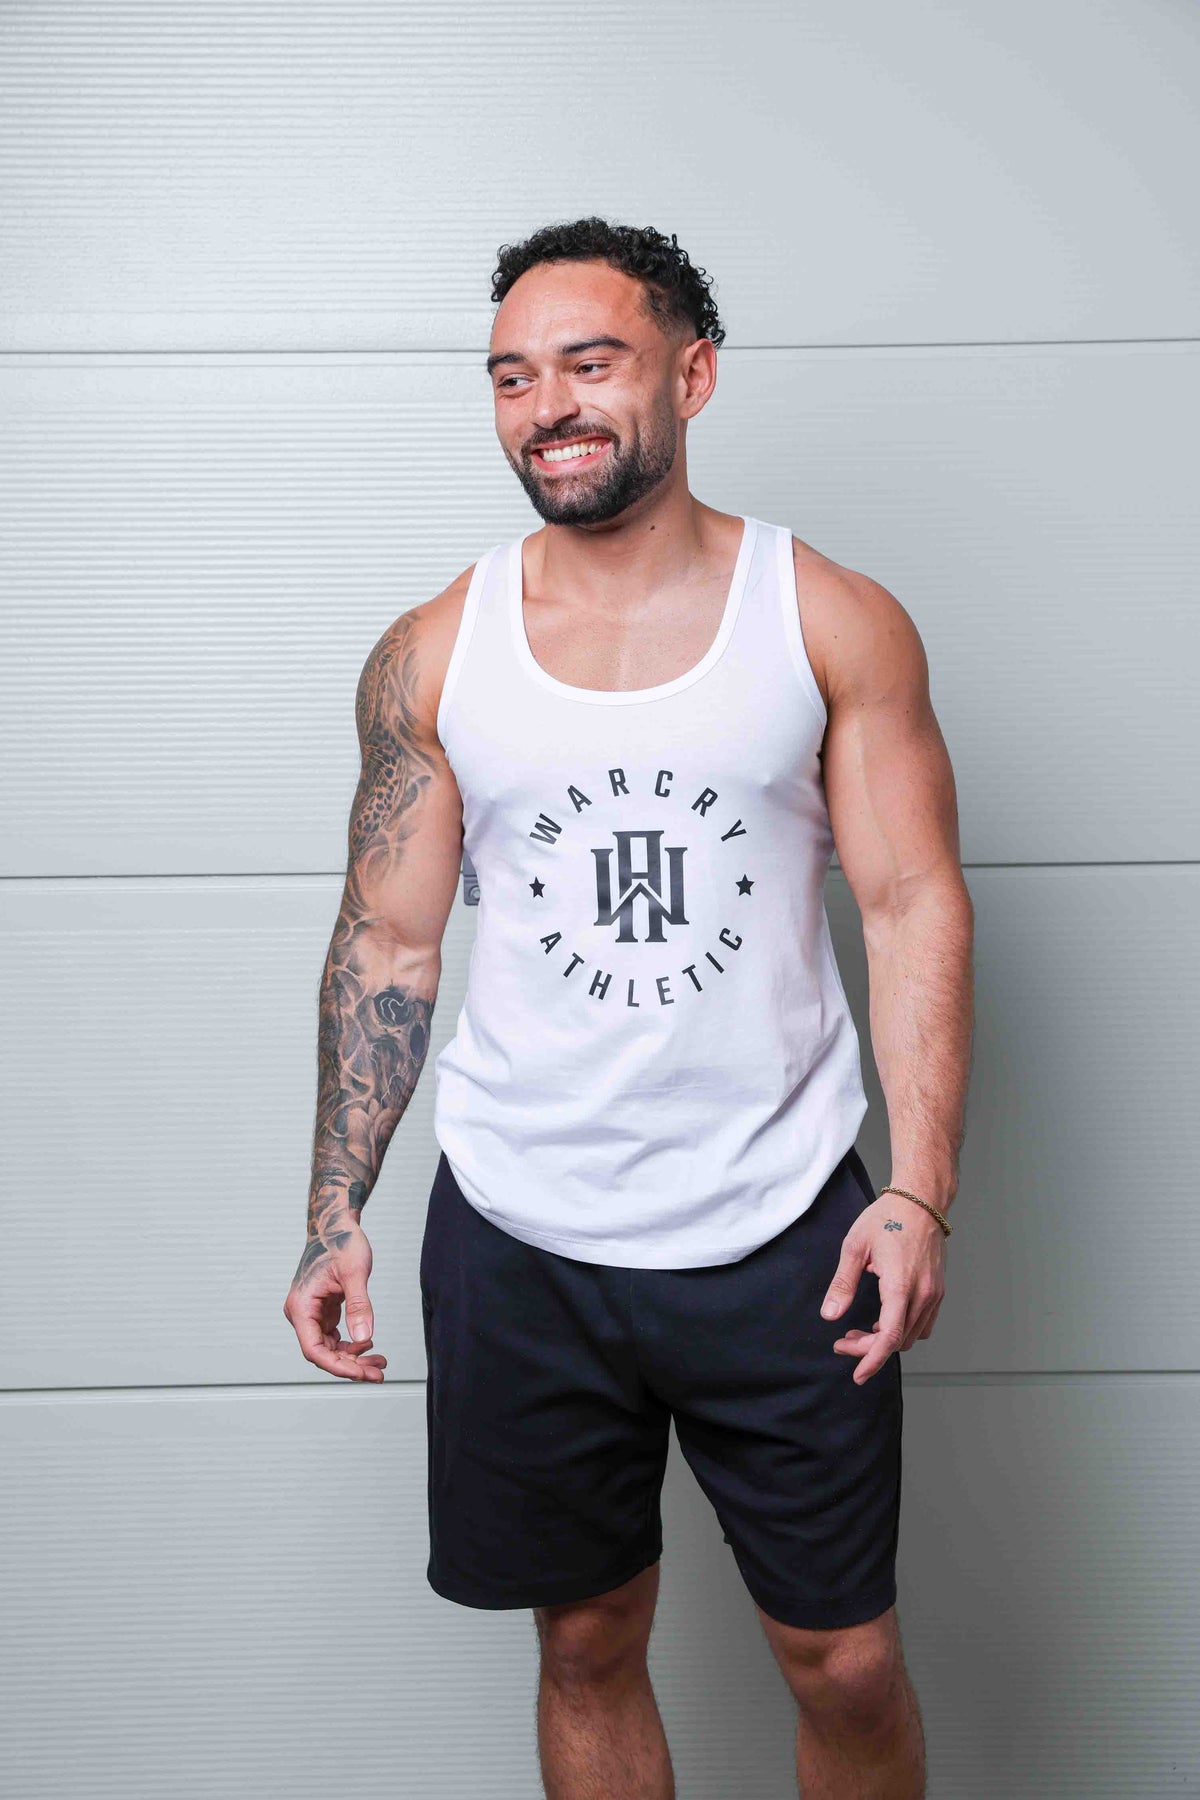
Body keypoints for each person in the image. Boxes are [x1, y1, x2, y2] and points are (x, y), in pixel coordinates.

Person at [284, 216, 974, 1800]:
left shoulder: (828, 617)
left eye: (590, 364)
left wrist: (922, 1189)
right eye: (513, 377)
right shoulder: (433, 652)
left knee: (847, 1662)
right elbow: (389, 944)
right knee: (586, 1639)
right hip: (522, 1235)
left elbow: (911, 904)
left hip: (782, 1226)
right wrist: (333, 1211)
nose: (549, 407)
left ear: (692, 374)